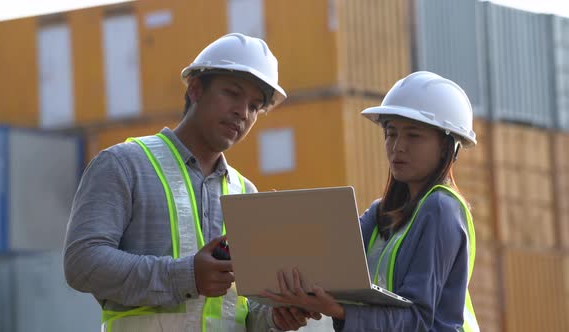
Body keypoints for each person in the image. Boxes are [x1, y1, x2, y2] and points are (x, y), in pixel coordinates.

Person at [63, 33, 319, 331]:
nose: (242, 112)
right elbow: (82, 263)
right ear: (196, 89)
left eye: (254, 106)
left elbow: (239, 310)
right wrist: (186, 276)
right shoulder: (124, 164)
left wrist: (273, 317)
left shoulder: (245, 192)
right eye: (232, 93)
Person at [262, 71, 481, 331]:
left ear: (446, 147)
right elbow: (328, 261)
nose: (398, 146)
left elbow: (420, 321)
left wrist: (340, 311)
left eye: (413, 135)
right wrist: (284, 232)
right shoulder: (381, 214)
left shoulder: (441, 208)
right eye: (391, 133)